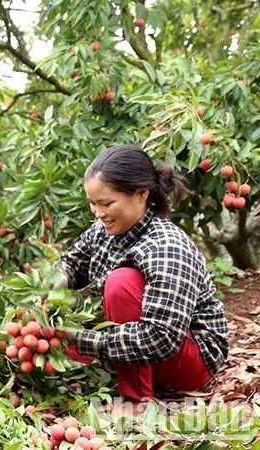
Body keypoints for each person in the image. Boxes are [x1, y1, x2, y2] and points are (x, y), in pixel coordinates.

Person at [56, 145, 228, 402]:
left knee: (121, 282)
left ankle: (136, 400)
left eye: (106, 203)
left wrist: (83, 340)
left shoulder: (167, 246)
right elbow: (72, 264)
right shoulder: (101, 229)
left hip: (187, 359)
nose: (99, 213)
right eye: (93, 204)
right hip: (133, 347)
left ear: (142, 194)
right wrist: (46, 288)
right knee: (48, 345)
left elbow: (162, 339)